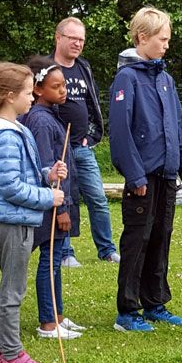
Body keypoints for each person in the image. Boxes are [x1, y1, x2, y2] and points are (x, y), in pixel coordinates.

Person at [0, 62, 66, 363]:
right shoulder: (6, 136)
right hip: (13, 221)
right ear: (9, 96)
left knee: (8, 287)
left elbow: (20, 174)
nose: (32, 98)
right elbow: (11, 187)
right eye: (26, 92)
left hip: (6, 221)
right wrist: (48, 197)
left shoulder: (11, 129)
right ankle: (12, 357)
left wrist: (47, 175)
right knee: (13, 291)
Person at [109, 7, 182, 332]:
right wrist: (134, 174)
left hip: (167, 175)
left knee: (162, 235)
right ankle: (127, 310)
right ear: (142, 38)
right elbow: (119, 132)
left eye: (168, 39)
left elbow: (178, 127)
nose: (166, 45)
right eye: (162, 39)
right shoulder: (127, 78)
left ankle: (155, 301)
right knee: (138, 238)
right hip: (142, 177)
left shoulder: (165, 79)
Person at [19, 56, 85, 340]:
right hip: (52, 203)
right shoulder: (41, 121)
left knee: (56, 257)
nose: (63, 91)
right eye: (56, 86)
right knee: (50, 259)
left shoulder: (51, 115)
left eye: (64, 85)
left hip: (57, 200)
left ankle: (57, 315)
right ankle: (47, 322)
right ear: (37, 89)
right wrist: (62, 207)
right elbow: (48, 166)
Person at [50, 17, 120, 266]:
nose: (78, 44)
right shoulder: (47, 69)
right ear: (59, 38)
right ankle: (66, 252)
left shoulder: (84, 67)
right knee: (64, 199)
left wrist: (91, 135)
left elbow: (92, 105)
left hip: (82, 147)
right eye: (73, 38)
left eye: (81, 39)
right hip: (57, 149)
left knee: (97, 198)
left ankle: (107, 250)